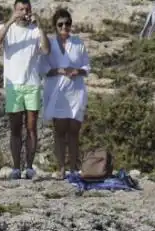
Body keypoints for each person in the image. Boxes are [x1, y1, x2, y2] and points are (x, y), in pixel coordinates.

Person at [0, 0, 51, 180]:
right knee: (15, 128)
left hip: (32, 84)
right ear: (14, 10)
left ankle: (29, 167)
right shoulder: (6, 27)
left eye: (27, 9)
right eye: (21, 9)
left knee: (31, 127)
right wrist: (10, 21)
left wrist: (40, 26)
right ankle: (16, 167)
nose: (24, 12)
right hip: (13, 85)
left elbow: (46, 50)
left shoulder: (34, 30)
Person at [42, 8, 90, 179]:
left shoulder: (78, 43)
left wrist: (77, 71)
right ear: (55, 26)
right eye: (60, 24)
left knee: (74, 131)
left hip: (75, 90)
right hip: (57, 90)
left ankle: (73, 168)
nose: (65, 27)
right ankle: (61, 168)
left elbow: (87, 67)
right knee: (60, 130)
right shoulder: (49, 44)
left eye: (67, 23)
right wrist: (60, 70)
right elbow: (44, 68)